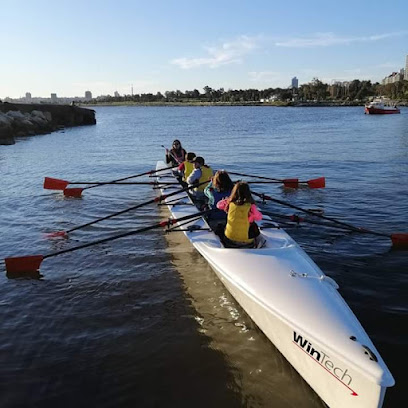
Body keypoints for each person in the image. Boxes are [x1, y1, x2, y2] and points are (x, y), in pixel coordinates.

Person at [217, 182, 264, 248]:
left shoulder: (229, 203)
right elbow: (259, 218)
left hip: (230, 239)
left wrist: (227, 199)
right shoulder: (251, 206)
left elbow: (218, 205)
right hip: (247, 242)